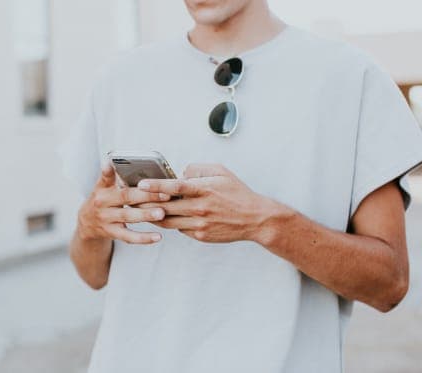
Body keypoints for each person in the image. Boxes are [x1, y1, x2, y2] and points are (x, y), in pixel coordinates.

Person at [58, 0, 422, 372]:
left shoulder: (351, 78)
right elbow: (92, 275)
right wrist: (90, 227)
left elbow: (388, 284)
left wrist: (264, 223)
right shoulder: (120, 80)